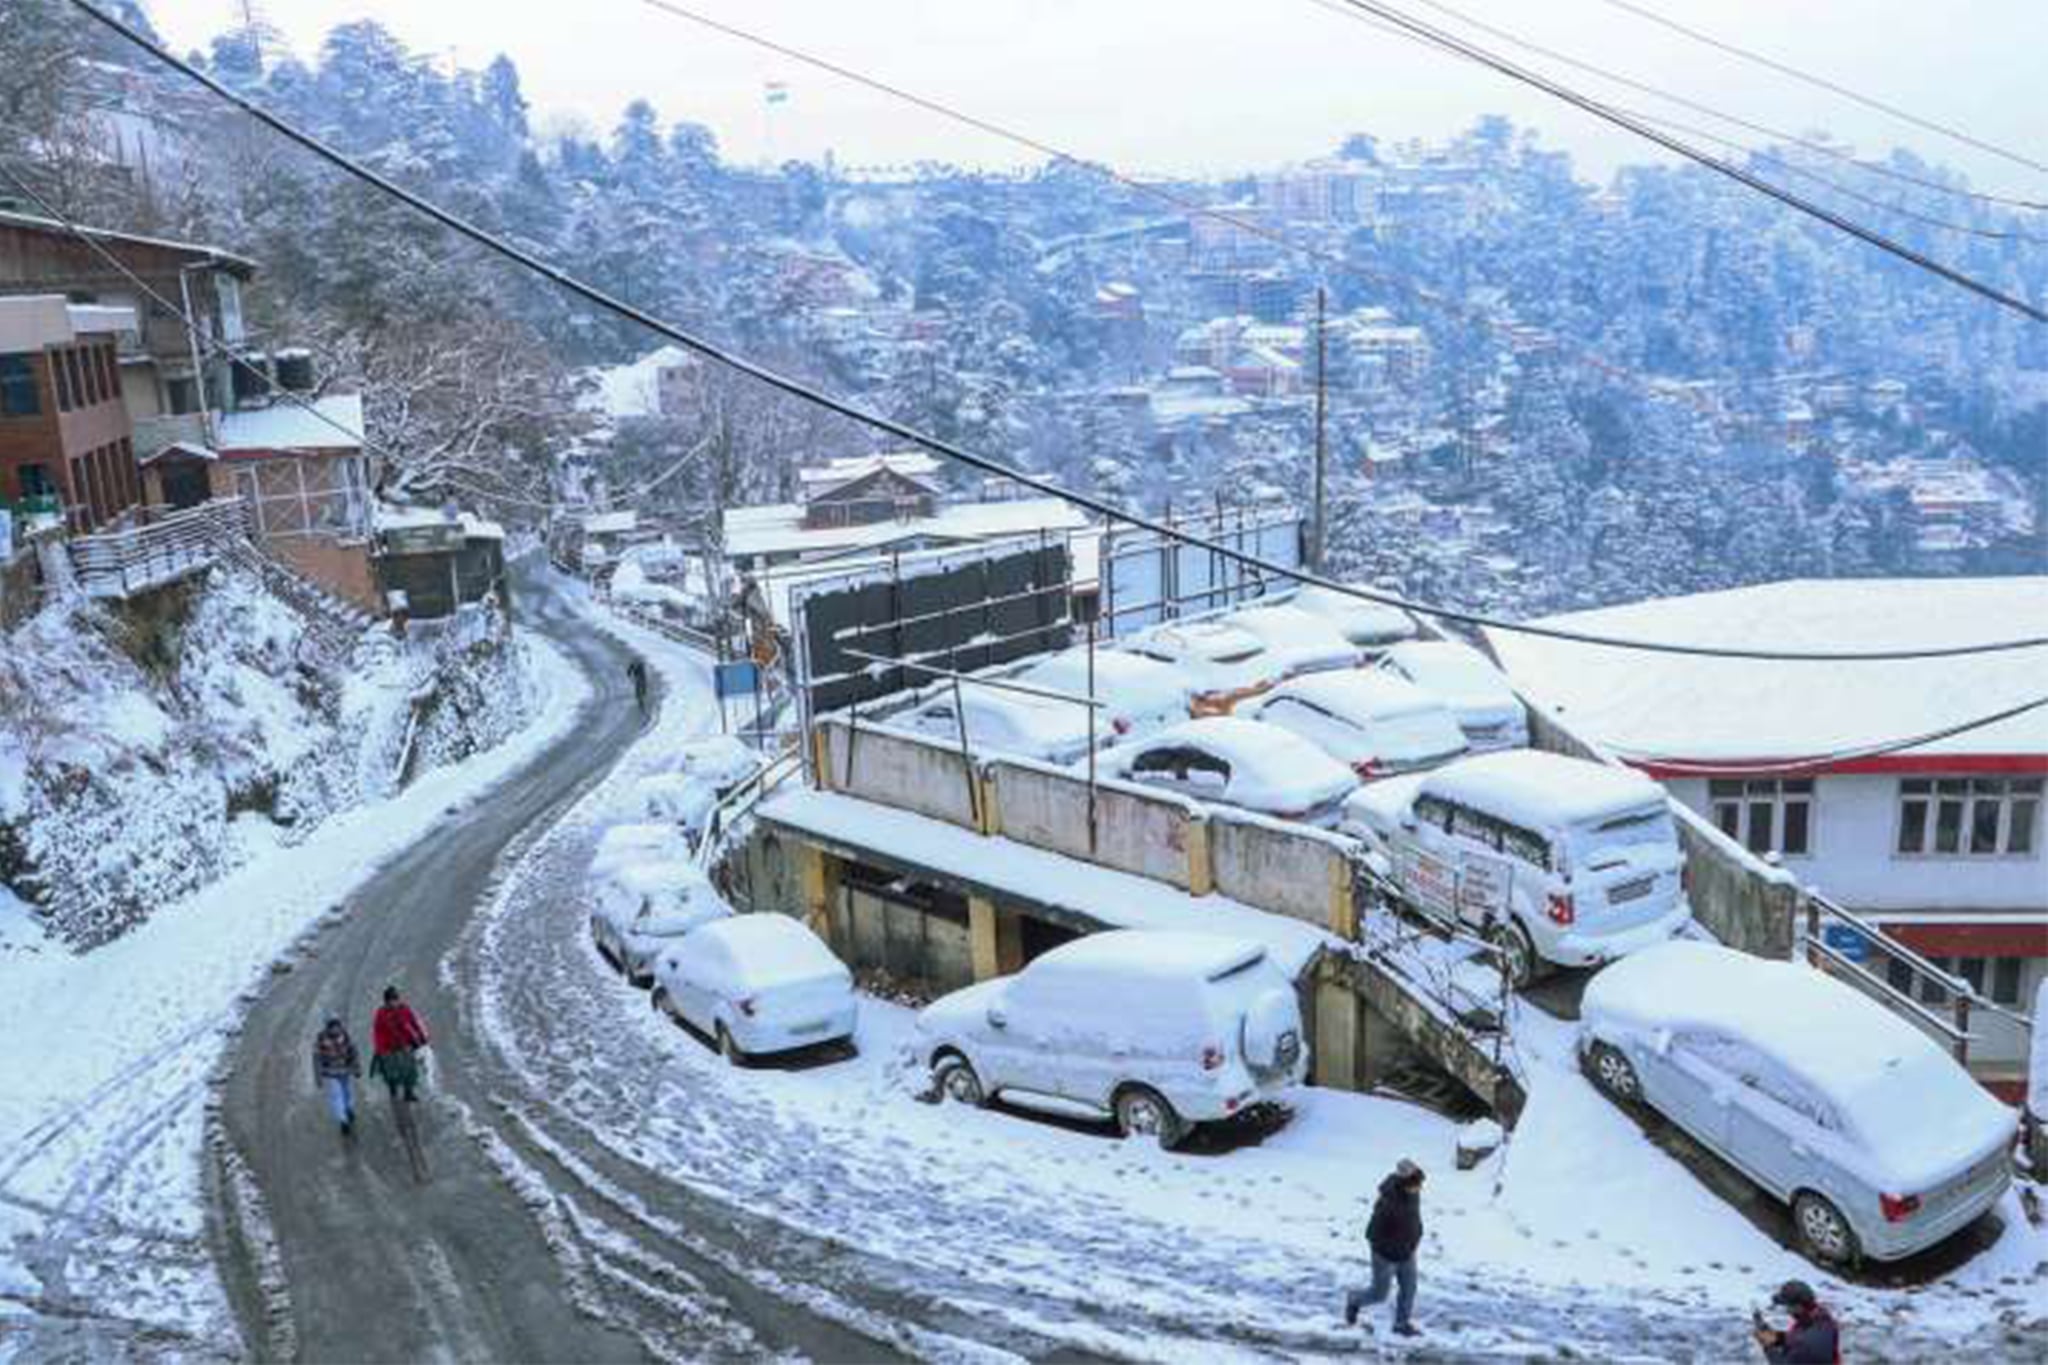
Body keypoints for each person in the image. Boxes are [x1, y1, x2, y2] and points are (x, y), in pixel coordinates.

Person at [1345, 1158, 1425, 1337]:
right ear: (1405, 1184)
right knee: (1379, 1294)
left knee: (1409, 1289)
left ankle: (1401, 1324)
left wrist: (1415, 1237)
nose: (1419, 1189)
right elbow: (1372, 1233)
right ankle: (1354, 1300)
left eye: (1419, 1184)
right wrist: (1388, 1250)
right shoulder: (1388, 1203)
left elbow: (1412, 1218)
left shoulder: (1413, 1193)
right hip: (1385, 1255)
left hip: (1407, 1252)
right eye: (1416, 1185)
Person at [1754, 1280, 1840, 1364]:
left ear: (1799, 1306)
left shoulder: (1815, 1333)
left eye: (1788, 1305)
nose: (1788, 1310)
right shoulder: (1813, 1319)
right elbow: (1798, 1340)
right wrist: (1778, 1338)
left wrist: (1768, 1346)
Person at [369, 985, 430, 1104]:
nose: (395, 1002)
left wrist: (421, 1037)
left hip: (404, 1044)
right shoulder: (381, 1013)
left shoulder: (404, 1009)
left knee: (410, 1069)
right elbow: (377, 1031)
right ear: (387, 1001)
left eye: (396, 999)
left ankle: (409, 1092)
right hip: (388, 1047)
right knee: (391, 1070)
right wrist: (380, 1048)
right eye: (392, 1000)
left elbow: (414, 1023)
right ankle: (393, 1088)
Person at [310, 1017, 360, 1137]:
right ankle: (343, 1121)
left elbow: (354, 1052)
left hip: (345, 1071)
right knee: (336, 1097)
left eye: (337, 1026)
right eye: (332, 1027)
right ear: (328, 1028)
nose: (335, 1029)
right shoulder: (321, 1040)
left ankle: (348, 1109)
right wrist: (318, 1077)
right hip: (331, 1073)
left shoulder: (345, 1036)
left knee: (347, 1093)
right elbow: (317, 1059)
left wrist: (356, 1068)